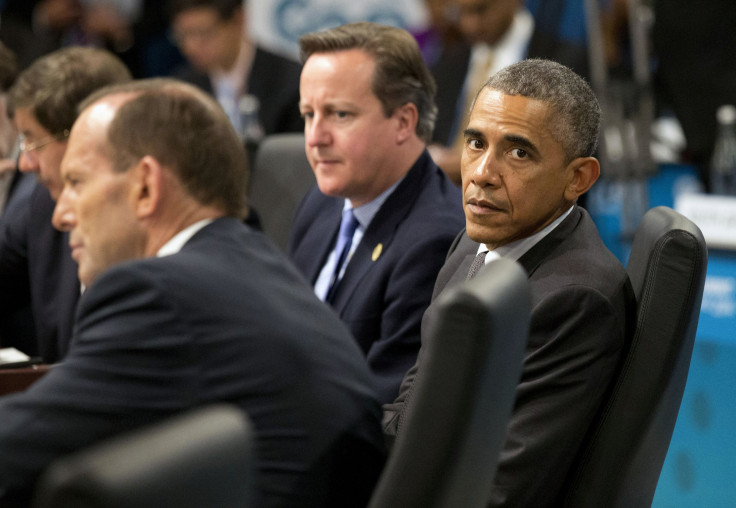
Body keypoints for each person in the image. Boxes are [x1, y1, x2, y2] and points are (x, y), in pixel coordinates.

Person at [0, 78, 385, 507]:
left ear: (145, 186)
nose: (61, 214)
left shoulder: (160, 296)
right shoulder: (246, 258)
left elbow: (17, 447)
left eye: (76, 182)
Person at [384, 59, 637, 506]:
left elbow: (502, 489)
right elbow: (411, 402)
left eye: (518, 152)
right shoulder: (473, 241)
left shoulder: (575, 299)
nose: (482, 173)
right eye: (476, 143)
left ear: (578, 178)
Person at [288, 22, 465, 404]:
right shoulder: (321, 202)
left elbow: (380, 407)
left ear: (404, 121)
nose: (315, 137)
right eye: (308, 115)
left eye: (339, 115)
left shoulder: (434, 242)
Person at [0, 46, 132, 362]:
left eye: (33, 140)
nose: (25, 163)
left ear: (83, 136)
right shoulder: (43, 203)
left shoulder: (145, 224)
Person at [168, 0, 303, 137]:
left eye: (203, 33)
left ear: (239, 19)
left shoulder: (290, 81)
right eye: (182, 35)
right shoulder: (181, 88)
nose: (190, 47)